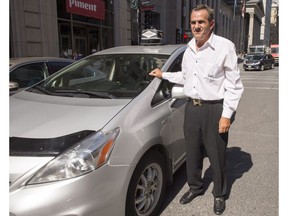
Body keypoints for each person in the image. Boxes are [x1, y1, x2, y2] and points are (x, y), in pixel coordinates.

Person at [149, 4, 244, 215]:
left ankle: (219, 194)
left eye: (201, 22)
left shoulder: (224, 47)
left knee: (217, 155)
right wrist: (163, 75)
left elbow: (234, 85)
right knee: (192, 153)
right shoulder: (190, 48)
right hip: (192, 108)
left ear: (211, 24)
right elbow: (186, 77)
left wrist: (226, 115)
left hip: (215, 109)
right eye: (193, 22)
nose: (196, 26)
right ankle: (195, 187)